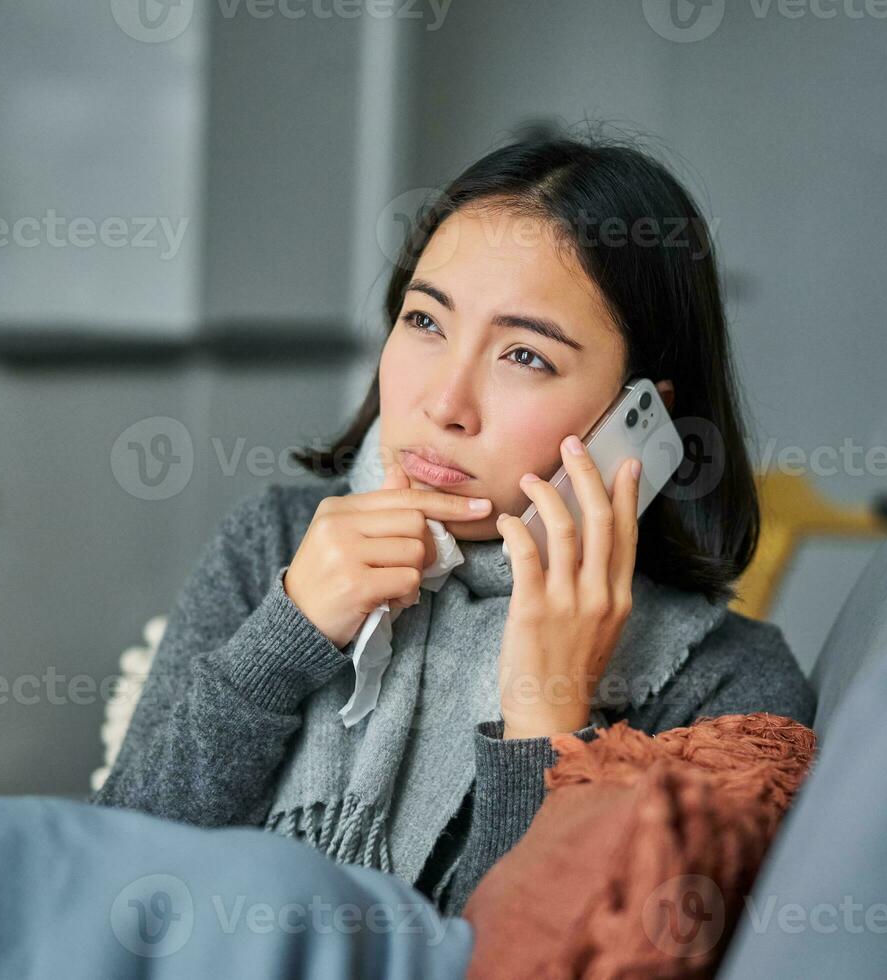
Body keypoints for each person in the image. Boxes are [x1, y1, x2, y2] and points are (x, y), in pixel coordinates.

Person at [91, 130, 815, 917]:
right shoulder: (275, 542)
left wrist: (548, 724)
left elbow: (524, 959)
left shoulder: (728, 687)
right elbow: (107, 872)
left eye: (525, 357)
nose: (443, 404)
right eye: (426, 323)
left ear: (640, 420)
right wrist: (284, 640)